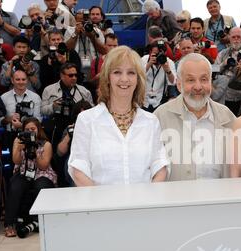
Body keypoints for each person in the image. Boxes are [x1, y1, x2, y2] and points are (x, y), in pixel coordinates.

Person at [68, 46, 169, 186]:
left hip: (143, 204)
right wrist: (101, 204)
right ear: (107, 78)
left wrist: (149, 199)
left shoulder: (151, 121)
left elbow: (160, 165)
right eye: (117, 72)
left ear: (138, 79)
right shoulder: (86, 120)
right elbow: (78, 167)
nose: (124, 79)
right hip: (100, 205)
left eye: (131, 73)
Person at [154, 53, 236, 181]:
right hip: (176, 199)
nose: (198, 87)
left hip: (219, 199)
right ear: (179, 84)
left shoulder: (228, 118)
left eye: (204, 79)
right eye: (191, 80)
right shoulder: (160, 118)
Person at [4, 117, 56, 238]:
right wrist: (18, 149)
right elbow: (15, 161)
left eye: (33, 129)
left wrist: (35, 150)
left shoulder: (46, 144)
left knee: (41, 186)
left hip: (42, 173)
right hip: (24, 171)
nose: (30, 131)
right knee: (15, 186)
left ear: (38, 129)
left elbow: (43, 166)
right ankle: (10, 224)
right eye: (27, 129)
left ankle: (39, 221)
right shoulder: (18, 140)